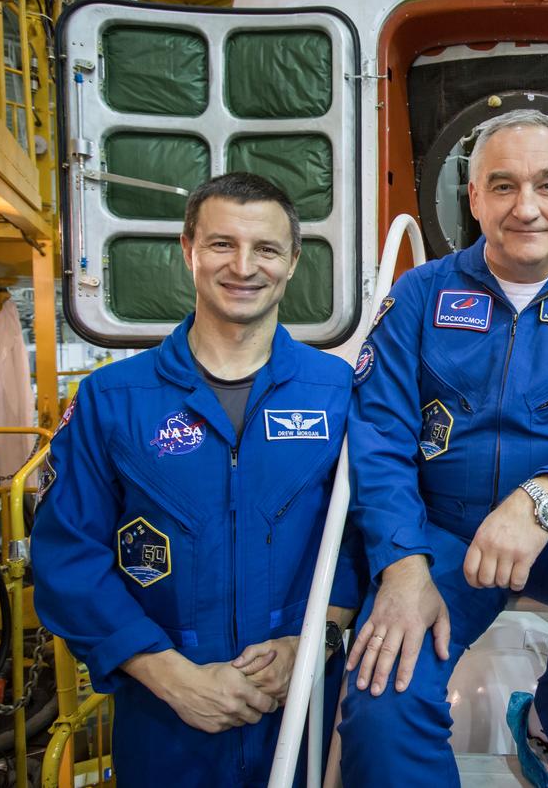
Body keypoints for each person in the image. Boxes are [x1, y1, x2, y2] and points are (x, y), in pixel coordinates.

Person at [340, 109, 548, 788]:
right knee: (382, 699)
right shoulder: (419, 294)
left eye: (547, 184)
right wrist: (401, 567)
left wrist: (544, 498)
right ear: (473, 198)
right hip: (442, 541)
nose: (526, 207)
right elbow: (376, 435)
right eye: (502, 186)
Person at [32, 173, 361, 786]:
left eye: (265, 249)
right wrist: (169, 676)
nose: (244, 266)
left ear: (292, 262)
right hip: (166, 725)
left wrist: (314, 645)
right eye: (221, 245)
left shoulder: (340, 395)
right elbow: (67, 558)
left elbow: (367, 540)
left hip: (303, 719)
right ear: (188, 252)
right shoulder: (112, 400)